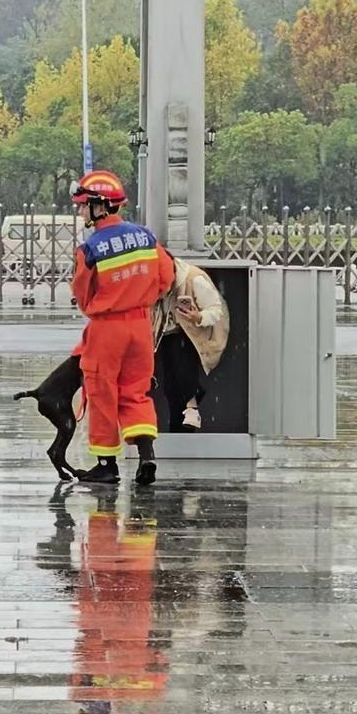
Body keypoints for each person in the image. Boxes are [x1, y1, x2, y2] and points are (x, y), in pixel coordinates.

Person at [71, 170, 174, 485]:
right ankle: (146, 455)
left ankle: (106, 464)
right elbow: (166, 278)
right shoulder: (145, 237)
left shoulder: (90, 249)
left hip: (108, 329)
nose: (80, 210)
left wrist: (102, 307)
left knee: (102, 390)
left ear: (99, 206)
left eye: (83, 205)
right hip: (141, 326)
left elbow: (82, 293)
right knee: (136, 391)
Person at [152, 257, 229, 432]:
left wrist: (198, 317)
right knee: (170, 384)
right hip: (165, 335)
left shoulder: (193, 279)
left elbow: (216, 310)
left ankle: (191, 405)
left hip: (193, 335)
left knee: (181, 360)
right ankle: (182, 421)